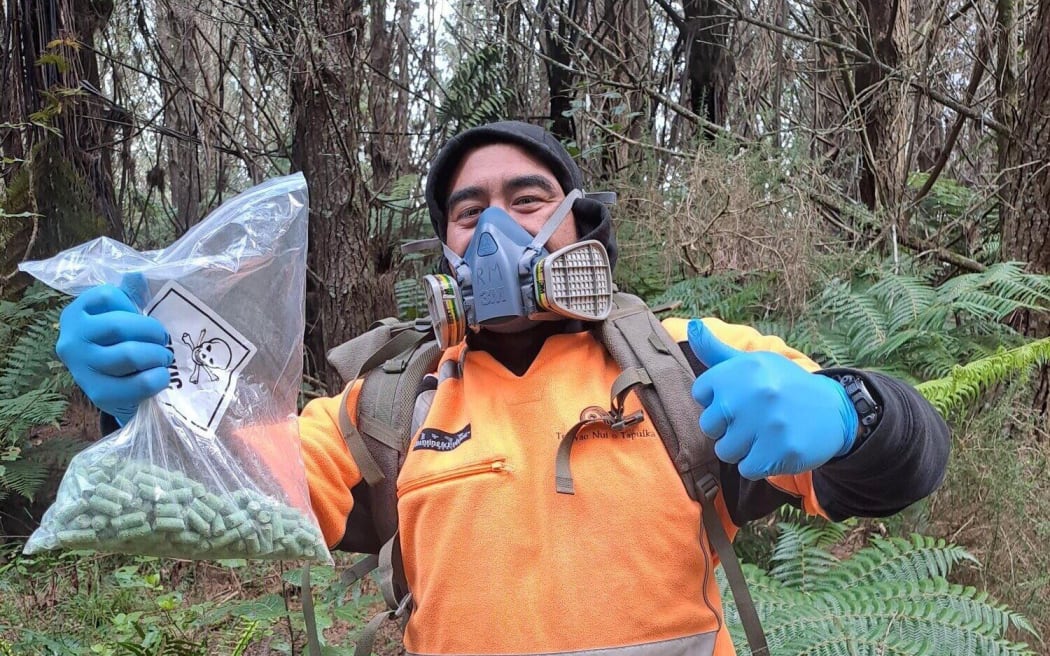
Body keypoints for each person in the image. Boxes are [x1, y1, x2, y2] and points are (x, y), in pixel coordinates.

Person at [54, 121, 951, 656]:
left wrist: (850, 410)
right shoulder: (388, 404)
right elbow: (237, 496)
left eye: (527, 199)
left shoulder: (691, 366)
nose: (497, 233)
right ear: (443, 250)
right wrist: (143, 400)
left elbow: (903, 469)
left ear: (578, 227)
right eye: (468, 212)